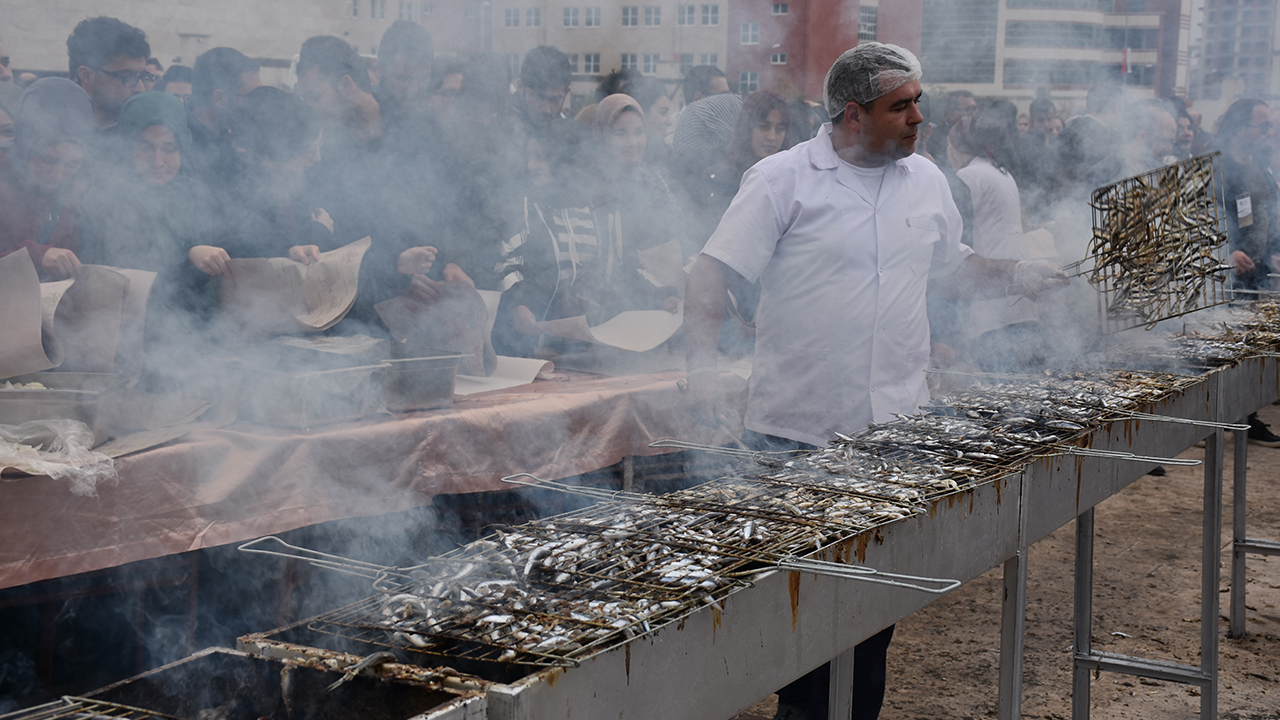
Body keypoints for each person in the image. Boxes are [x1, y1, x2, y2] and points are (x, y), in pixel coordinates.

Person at [682, 43, 1067, 720]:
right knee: (800, 632)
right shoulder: (782, 179)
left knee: (872, 623)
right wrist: (702, 367)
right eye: (904, 105)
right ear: (854, 115)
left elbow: (954, 268)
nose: (921, 116)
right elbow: (710, 275)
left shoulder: (926, 182)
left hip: (894, 437)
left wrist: (1018, 274)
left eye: (920, 100)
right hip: (795, 438)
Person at [78, 91, 217, 385]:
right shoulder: (106, 198)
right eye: (145, 146)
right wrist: (189, 260)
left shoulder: (193, 195)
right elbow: (126, 278)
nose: (158, 161)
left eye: (170, 148)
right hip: (124, 353)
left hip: (191, 345)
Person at [950, 111, 1048, 372]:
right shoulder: (1002, 173)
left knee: (997, 381)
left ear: (961, 145)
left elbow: (958, 237)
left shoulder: (970, 176)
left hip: (992, 293)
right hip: (1014, 282)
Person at [0, 78, 96, 278]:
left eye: (72, 164)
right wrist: (35, 256)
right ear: (26, 144)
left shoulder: (75, 195)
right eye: (47, 159)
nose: (58, 174)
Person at [186, 48, 261, 188]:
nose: (257, 106)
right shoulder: (178, 144)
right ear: (219, 99)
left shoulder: (228, 139)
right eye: (251, 98)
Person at [66, 16, 151, 129]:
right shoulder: (55, 130)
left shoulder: (148, 136)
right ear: (87, 76)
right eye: (127, 76)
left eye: (142, 76)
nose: (140, 89)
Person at [376, 21, 435, 119]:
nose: (414, 89)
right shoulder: (362, 118)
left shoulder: (431, 119)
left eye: (422, 79)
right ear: (379, 69)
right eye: (403, 78)